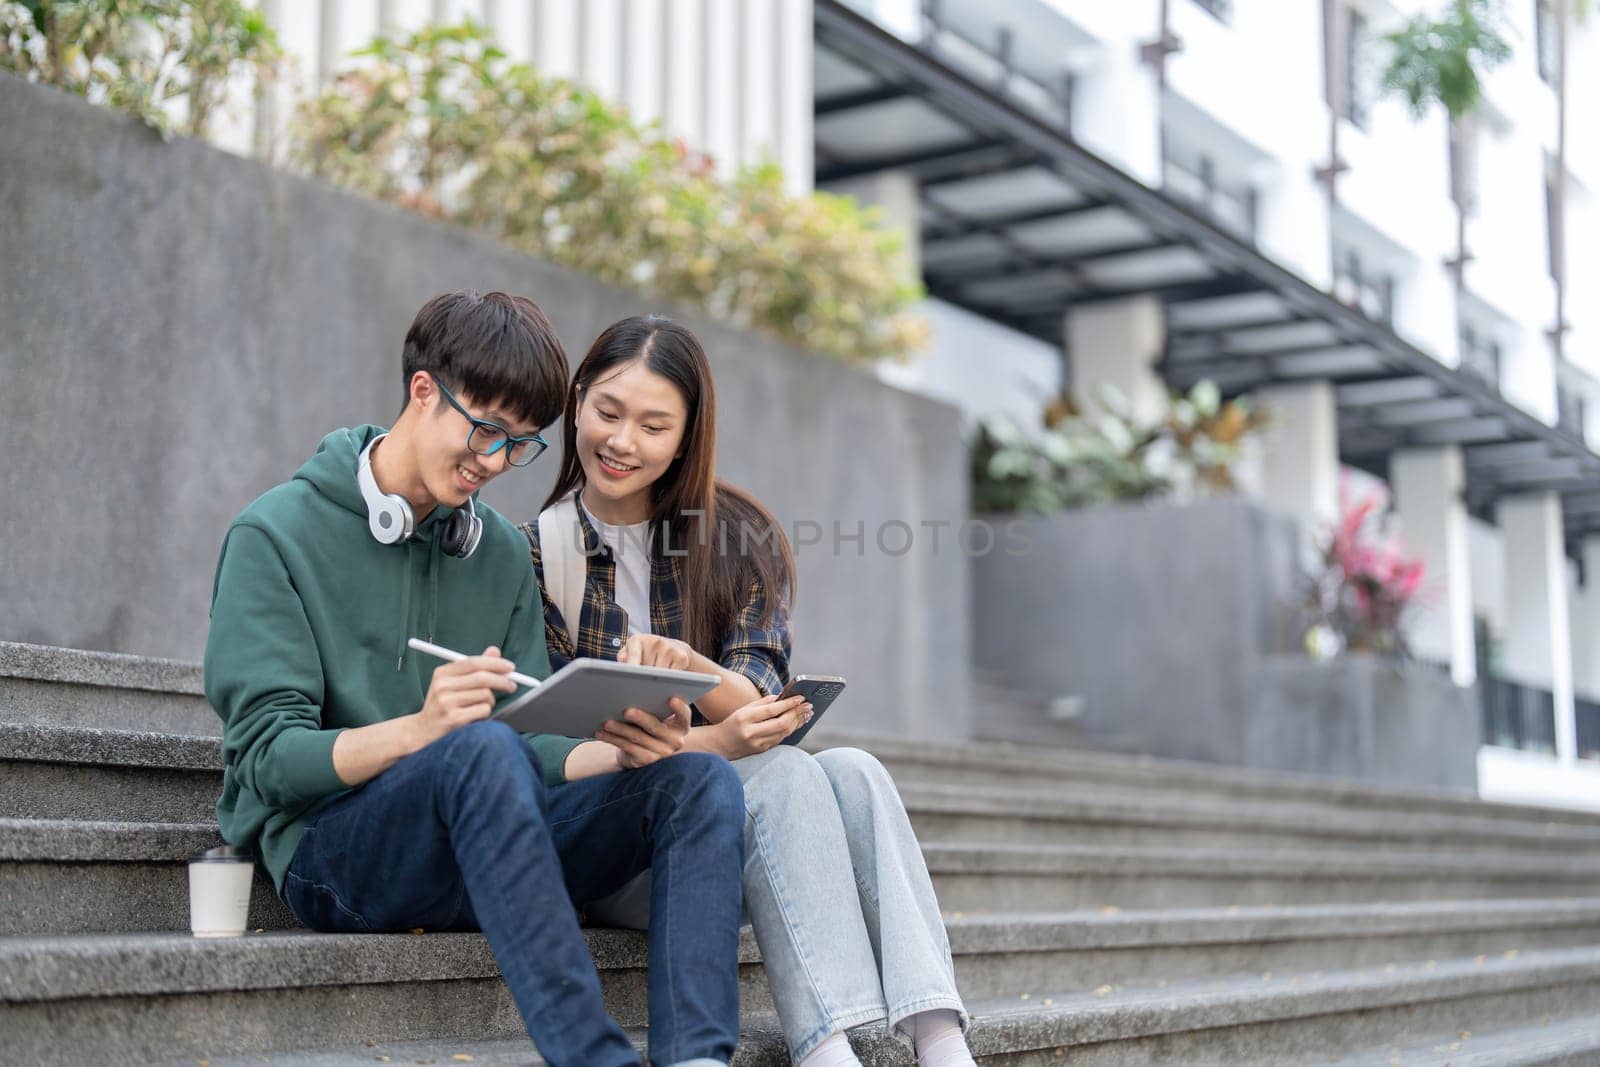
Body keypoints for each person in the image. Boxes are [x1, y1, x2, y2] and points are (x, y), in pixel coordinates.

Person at [203, 290, 745, 1067]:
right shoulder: (274, 536)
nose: (492, 462)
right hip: (338, 854)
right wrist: (422, 731)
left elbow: (538, 744)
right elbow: (265, 763)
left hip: (492, 831)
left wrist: (626, 754)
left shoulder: (493, 550)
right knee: (481, 750)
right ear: (423, 391)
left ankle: (697, 1059)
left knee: (695, 781)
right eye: (484, 430)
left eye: (517, 445)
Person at [522, 314, 978, 1067]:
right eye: (607, 411)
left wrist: (696, 674)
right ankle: (827, 1050)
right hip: (627, 845)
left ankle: (940, 1040)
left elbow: (766, 698)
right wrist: (718, 741)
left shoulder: (736, 536)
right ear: (576, 401)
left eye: (654, 424)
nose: (623, 441)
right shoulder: (540, 554)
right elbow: (571, 749)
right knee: (782, 773)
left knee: (855, 769)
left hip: (742, 829)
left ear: (687, 434)